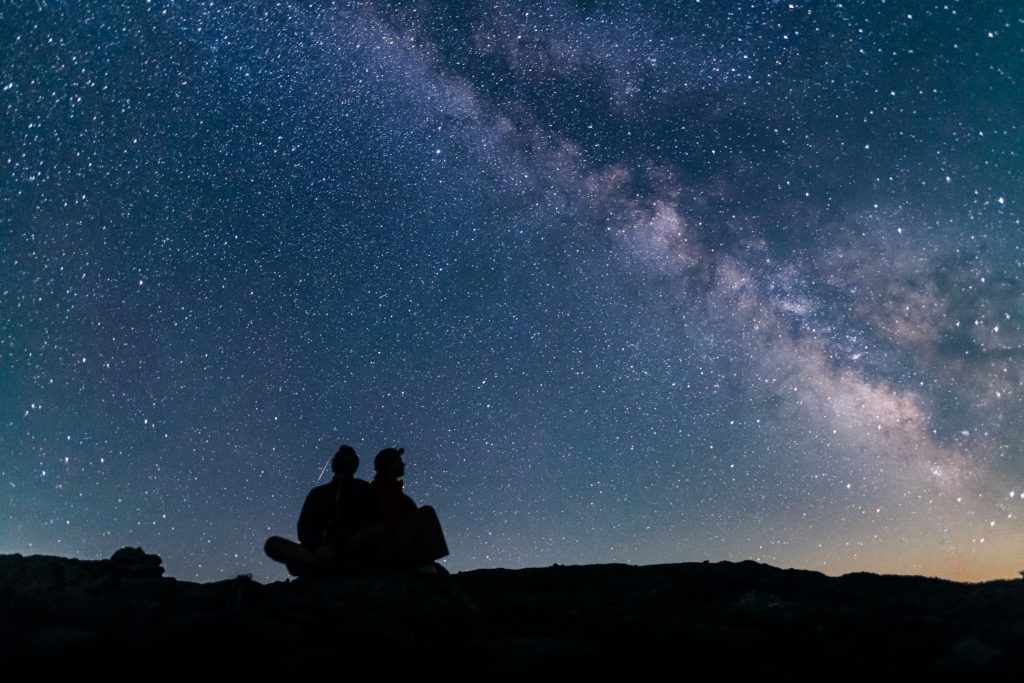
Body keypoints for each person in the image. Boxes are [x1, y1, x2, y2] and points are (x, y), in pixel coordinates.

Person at [264, 444, 376, 577]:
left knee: (374, 530)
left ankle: (319, 568)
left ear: (354, 464)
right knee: (273, 544)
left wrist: (335, 546)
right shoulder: (317, 493)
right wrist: (319, 547)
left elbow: (365, 520)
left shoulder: (363, 489)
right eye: (338, 455)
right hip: (317, 551)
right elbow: (305, 526)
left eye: (345, 456)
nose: (339, 457)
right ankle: (326, 566)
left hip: (347, 547)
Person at [365, 447, 450, 572]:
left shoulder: (402, 497)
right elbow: (386, 522)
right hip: (387, 546)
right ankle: (424, 567)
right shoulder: (377, 490)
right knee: (427, 512)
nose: (403, 464)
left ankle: (425, 565)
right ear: (390, 465)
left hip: (399, 544)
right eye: (399, 461)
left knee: (441, 573)